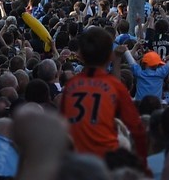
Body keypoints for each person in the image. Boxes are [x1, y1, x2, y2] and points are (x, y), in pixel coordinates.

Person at [61, 25, 147, 167]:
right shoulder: (113, 86)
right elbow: (135, 127)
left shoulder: (71, 86)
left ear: (81, 55)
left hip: (77, 160)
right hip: (106, 158)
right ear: (109, 56)